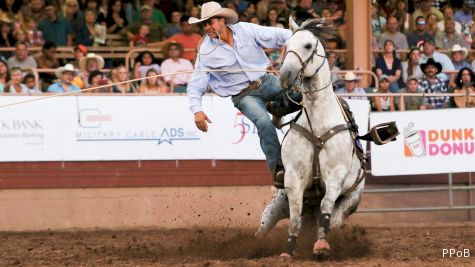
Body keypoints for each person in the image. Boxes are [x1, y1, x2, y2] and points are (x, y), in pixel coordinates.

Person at [186, 1, 292, 188]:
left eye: (210, 22)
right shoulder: (206, 51)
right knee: (264, 123)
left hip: (266, 81)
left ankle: (278, 109)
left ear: (222, 20)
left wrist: (297, 38)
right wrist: (197, 110)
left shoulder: (245, 30)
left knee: (301, 93)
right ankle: (279, 169)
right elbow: (196, 84)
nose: (207, 28)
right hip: (244, 96)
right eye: (204, 24)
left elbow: (278, 35)